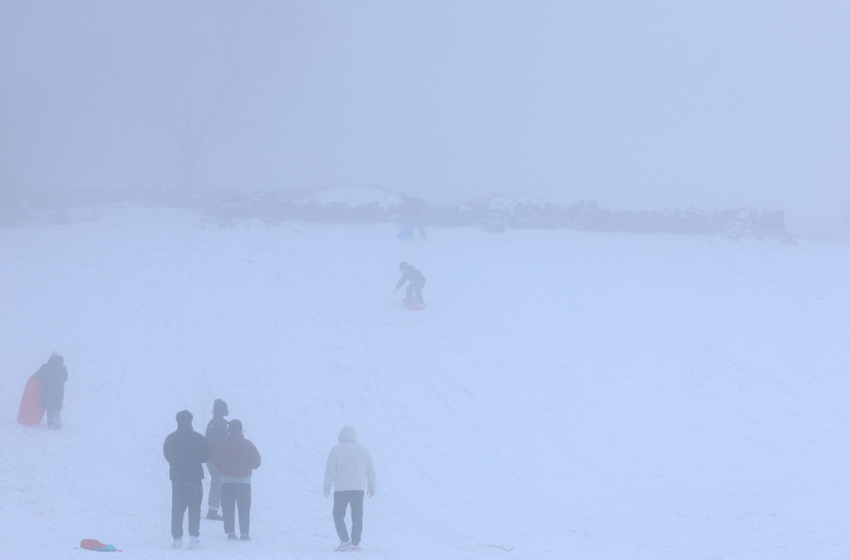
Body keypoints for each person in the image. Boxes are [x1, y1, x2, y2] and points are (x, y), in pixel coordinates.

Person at [323, 425, 376, 552]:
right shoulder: (363, 450)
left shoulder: (336, 449)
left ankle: (345, 540)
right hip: (358, 489)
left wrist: (327, 486)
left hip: (341, 489)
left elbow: (330, 470)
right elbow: (371, 469)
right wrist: (372, 485)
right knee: (357, 517)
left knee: (338, 515)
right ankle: (356, 543)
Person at [163, 410, 212, 549]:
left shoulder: (171, 438)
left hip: (177, 478)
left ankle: (177, 539)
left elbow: (167, 455)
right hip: (194, 477)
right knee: (195, 509)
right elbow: (206, 456)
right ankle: (193, 539)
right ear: (191, 421)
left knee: (177, 509)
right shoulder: (198, 438)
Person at [209, 419, 261, 541]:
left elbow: (214, 460)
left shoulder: (222, 444)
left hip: (226, 481)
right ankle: (244, 533)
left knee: (228, 507)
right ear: (241, 430)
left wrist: (222, 468)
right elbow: (256, 463)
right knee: (244, 507)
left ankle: (230, 532)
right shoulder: (248, 445)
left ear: (229, 430)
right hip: (244, 482)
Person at [204, 399, 229, 520]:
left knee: (217, 480)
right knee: (217, 480)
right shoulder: (220, 424)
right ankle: (213, 510)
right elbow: (223, 442)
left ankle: (214, 508)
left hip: (211, 456)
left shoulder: (214, 423)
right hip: (216, 457)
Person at [34, 352, 68, 429]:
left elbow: (37, 376)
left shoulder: (45, 367)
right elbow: (65, 378)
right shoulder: (63, 368)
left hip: (46, 390)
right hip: (58, 391)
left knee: (48, 405)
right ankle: (56, 423)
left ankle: (50, 422)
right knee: (56, 407)